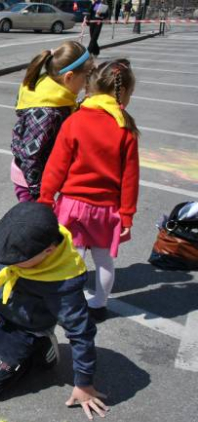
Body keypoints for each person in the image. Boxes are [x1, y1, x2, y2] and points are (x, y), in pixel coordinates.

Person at [0, 202, 108, 421]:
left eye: (14, 260)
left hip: (23, 329)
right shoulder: (24, 243)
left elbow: (81, 334)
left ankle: (39, 349)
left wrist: (84, 383)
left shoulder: (63, 285)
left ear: (48, 251)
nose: (7, 262)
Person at [38, 60, 139, 323]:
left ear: (91, 87)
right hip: (107, 209)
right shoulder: (125, 128)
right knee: (104, 260)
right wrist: (126, 216)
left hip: (73, 204)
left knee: (70, 258)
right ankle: (99, 305)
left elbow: (56, 167)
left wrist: (45, 199)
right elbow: (130, 179)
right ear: (124, 93)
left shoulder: (75, 121)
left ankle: (66, 304)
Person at [10, 41, 93, 202]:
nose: (86, 84)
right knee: (35, 223)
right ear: (69, 77)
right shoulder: (47, 111)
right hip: (32, 182)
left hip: (41, 176)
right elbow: (30, 155)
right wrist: (40, 194)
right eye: (86, 78)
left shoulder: (52, 89)